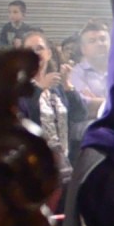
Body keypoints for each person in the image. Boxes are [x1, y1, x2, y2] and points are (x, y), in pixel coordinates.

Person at [21, 29, 86, 183]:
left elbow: (79, 114)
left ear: (49, 53)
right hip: (36, 166)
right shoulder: (19, 89)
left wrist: (67, 84)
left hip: (66, 162)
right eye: (29, 50)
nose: (35, 54)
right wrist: (39, 88)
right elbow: (24, 117)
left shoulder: (56, 87)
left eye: (39, 48)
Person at [69, 19, 112, 116]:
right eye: (92, 41)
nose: (99, 44)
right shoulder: (75, 74)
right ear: (83, 49)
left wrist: (99, 102)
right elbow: (84, 105)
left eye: (103, 39)